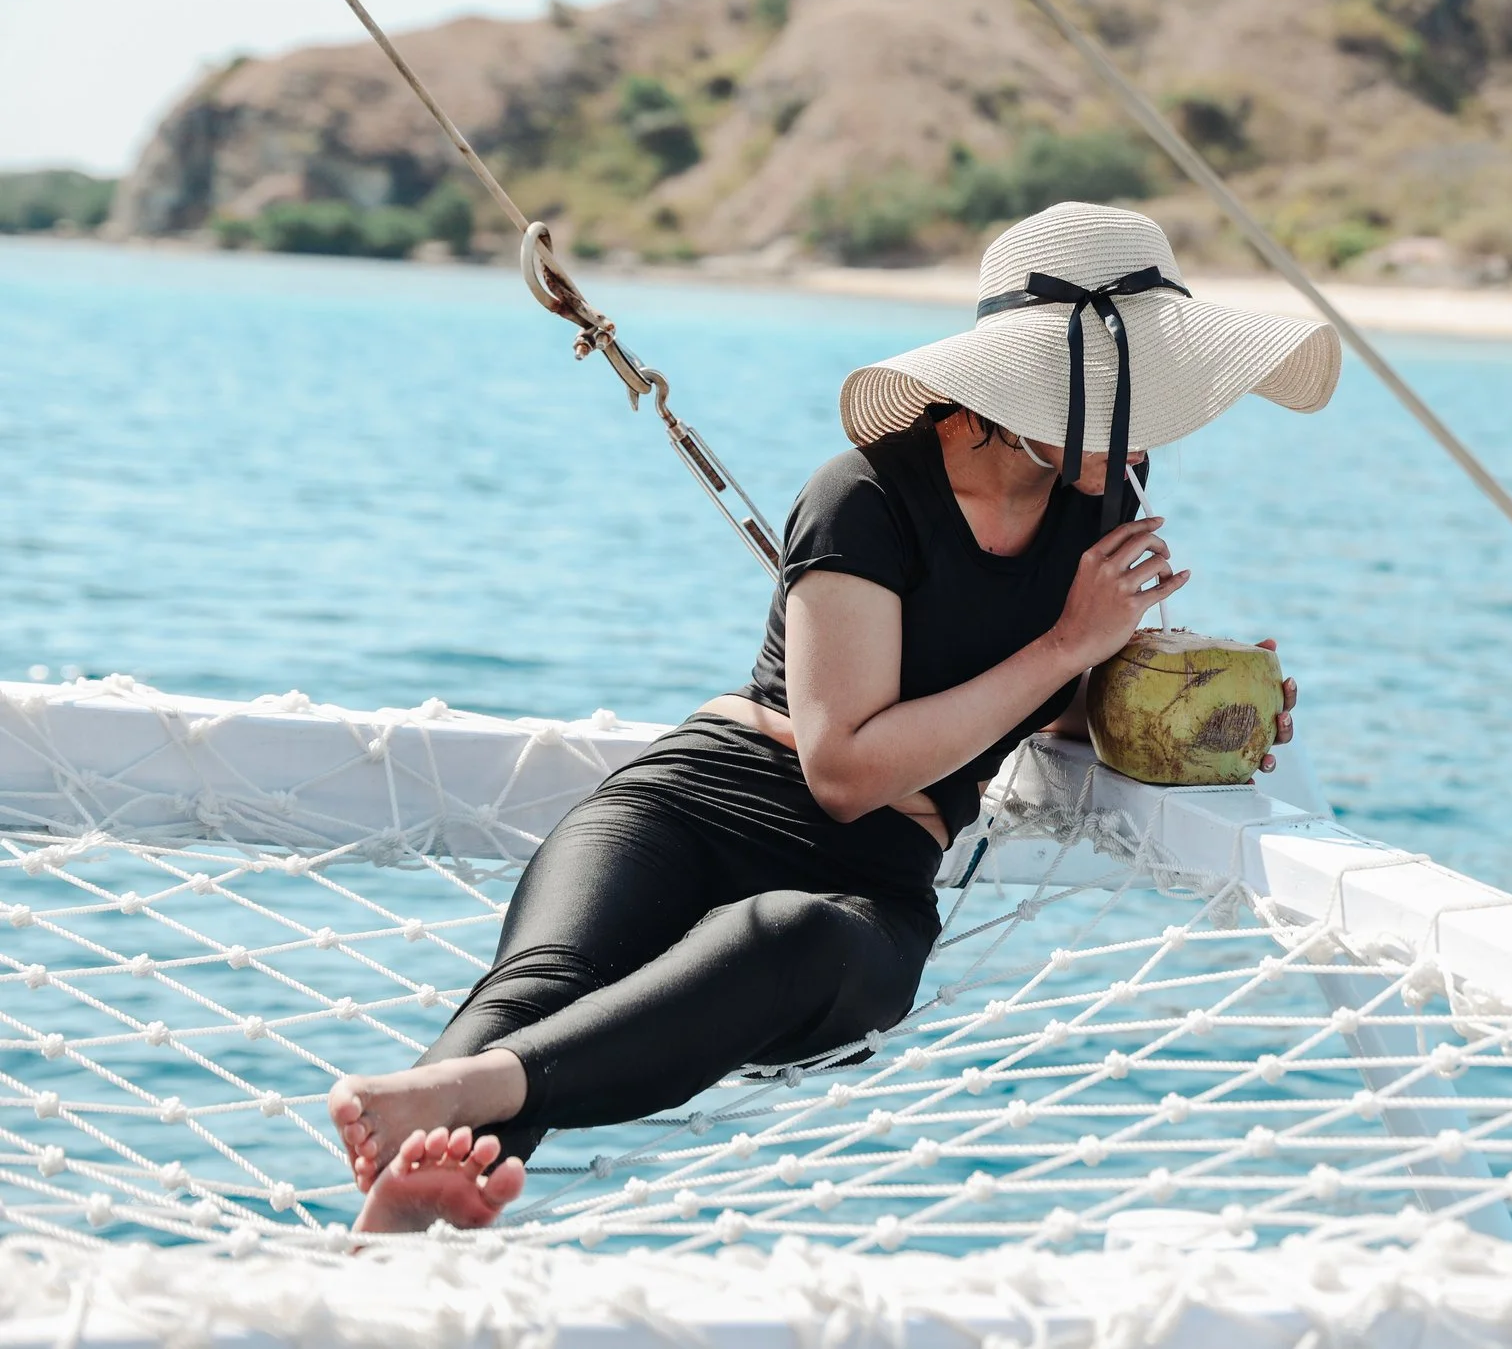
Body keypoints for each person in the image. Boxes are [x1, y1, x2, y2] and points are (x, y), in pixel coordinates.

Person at [325, 201, 1341, 1233]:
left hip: (867, 882)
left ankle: (460, 1117)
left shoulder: (1104, 500)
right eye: (1134, 397)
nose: (1154, 429)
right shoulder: (862, 494)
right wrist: (1071, 642)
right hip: (699, 802)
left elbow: (1045, 709)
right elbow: (843, 768)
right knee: (543, 981)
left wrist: (1190, 714)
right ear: (1035, 385)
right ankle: (401, 1221)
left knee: (792, 936)